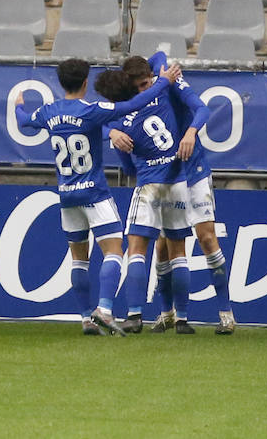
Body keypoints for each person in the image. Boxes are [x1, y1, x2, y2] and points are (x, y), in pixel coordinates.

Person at [11, 57, 177, 335]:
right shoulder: (92, 110)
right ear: (86, 82)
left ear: (61, 82)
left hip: (67, 196)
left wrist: (18, 105)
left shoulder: (48, 112)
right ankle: (105, 309)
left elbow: (23, 121)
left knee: (79, 259)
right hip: (95, 193)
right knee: (114, 251)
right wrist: (163, 82)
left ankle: (86, 319)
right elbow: (134, 104)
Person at [113, 53, 235, 335]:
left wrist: (190, 132)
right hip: (168, 175)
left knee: (207, 238)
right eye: (137, 88)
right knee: (163, 245)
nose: (142, 91)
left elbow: (201, 109)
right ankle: (168, 313)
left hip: (194, 170)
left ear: (151, 76)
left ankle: (226, 312)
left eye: (145, 84)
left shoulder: (169, 81)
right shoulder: (145, 97)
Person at [94, 64, 194, 335]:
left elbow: (127, 167)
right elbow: (159, 59)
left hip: (149, 184)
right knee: (179, 253)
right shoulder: (159, 95)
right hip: (177, 181)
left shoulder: (118, 122)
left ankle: (135, 315)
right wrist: (161, 78)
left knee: (137, 249)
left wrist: (111, 134)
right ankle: (183, 320)